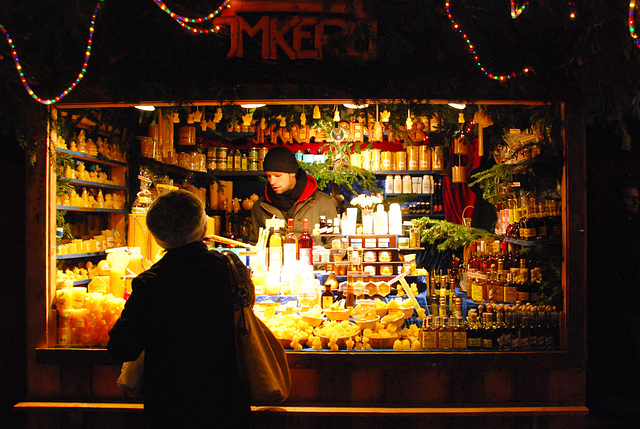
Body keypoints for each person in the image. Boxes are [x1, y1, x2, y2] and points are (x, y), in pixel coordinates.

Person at [107, 190, 250, 428]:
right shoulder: (229, 270)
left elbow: (121, 347)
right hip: (225, 402)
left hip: (170, 406)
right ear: (202, 227)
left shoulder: (150, 283)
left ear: (156, 234)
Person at [587, 179, 640, 419]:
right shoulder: (610, 230)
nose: (635, 203)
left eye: (637, 199)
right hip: (616, 297)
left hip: (630, 294)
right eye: (630, 198)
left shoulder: (633, 227)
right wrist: (623, 288)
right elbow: (607, 265)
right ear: (618, 201)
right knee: (616, 345)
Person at [249, 146, 338, 244]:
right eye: (269, 176)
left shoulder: (323, 203)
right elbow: (254, 246)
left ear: (292, 173)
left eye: (278, 176)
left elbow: (336, 245)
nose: (272, 181)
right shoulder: (260, 207)